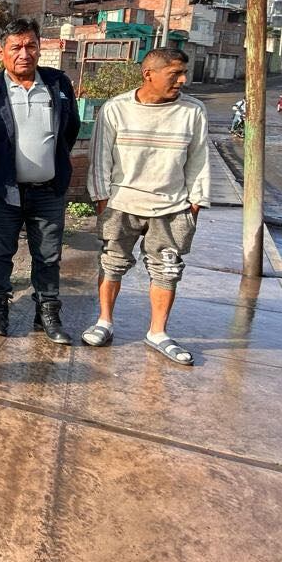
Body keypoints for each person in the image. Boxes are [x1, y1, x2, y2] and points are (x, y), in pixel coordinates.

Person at [83, 47, 211, 365]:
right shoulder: (116, 109)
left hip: (172, 207)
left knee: (167, 270)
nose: (182, 80)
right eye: (174, 74)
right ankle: (104, 322)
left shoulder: (193, 111)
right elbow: (100, 159)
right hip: (121, 203)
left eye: (184, 73)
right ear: (148, 74)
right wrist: (102, 201)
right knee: (112, 263)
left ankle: (158, 332)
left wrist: (194, 205)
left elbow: (199, 161)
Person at [0, 18, 81, 344]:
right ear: (1, 52)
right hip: (4, 192)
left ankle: (48, 314)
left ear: (40, 48)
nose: (24, 53)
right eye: (16, 47)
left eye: (31, 45)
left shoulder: (57, 84)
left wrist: (52, 162)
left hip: (48, 191)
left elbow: (70, 128)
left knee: (49, 255)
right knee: (0, 253)